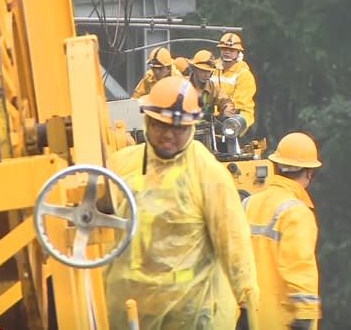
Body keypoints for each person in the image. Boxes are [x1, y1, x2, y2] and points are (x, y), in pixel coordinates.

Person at [104, 76, 259, 330]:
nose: (168, 135)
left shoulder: (209, 174)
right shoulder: (122, 165)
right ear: (147, 121)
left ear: (191, 127)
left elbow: (234, 241)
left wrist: (247, 300)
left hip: (189, 313)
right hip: (128, 312)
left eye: (179, 128)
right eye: (160, 126)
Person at [241, 132, 322, 330]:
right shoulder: (297, 212)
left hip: (250, 316)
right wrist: (306, 314)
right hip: (283, 320)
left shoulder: (248, 204)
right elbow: (299, 265)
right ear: (310, 173)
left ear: (275, 167)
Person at [215, 33, 257, 133]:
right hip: (215, 114)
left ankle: (233, 148)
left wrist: (217, 113)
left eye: (231, 50)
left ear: (239, 52)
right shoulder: (212, 68)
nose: (227, 52)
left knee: (230, 126)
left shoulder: (244, 75)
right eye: (224, 49)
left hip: (238, 115)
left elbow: (237, 104)